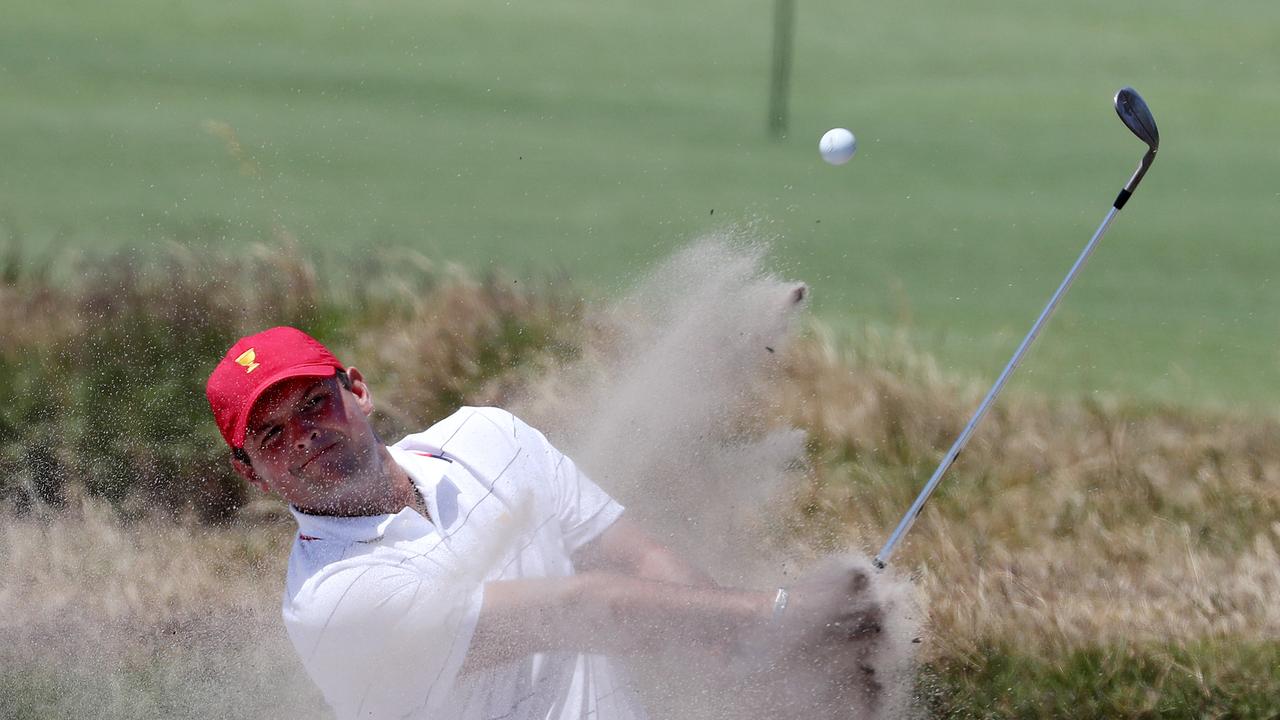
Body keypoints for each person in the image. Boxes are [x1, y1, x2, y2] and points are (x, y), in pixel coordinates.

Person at [206, 326, 886, 720]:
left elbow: (636, 558)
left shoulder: (487, 438)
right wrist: (776, 615)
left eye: (315, 403)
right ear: (250, 472)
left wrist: (740, 653)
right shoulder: (335, 602)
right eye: (271, 433)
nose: (303, 436)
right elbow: (572, 610)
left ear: (356, 390)